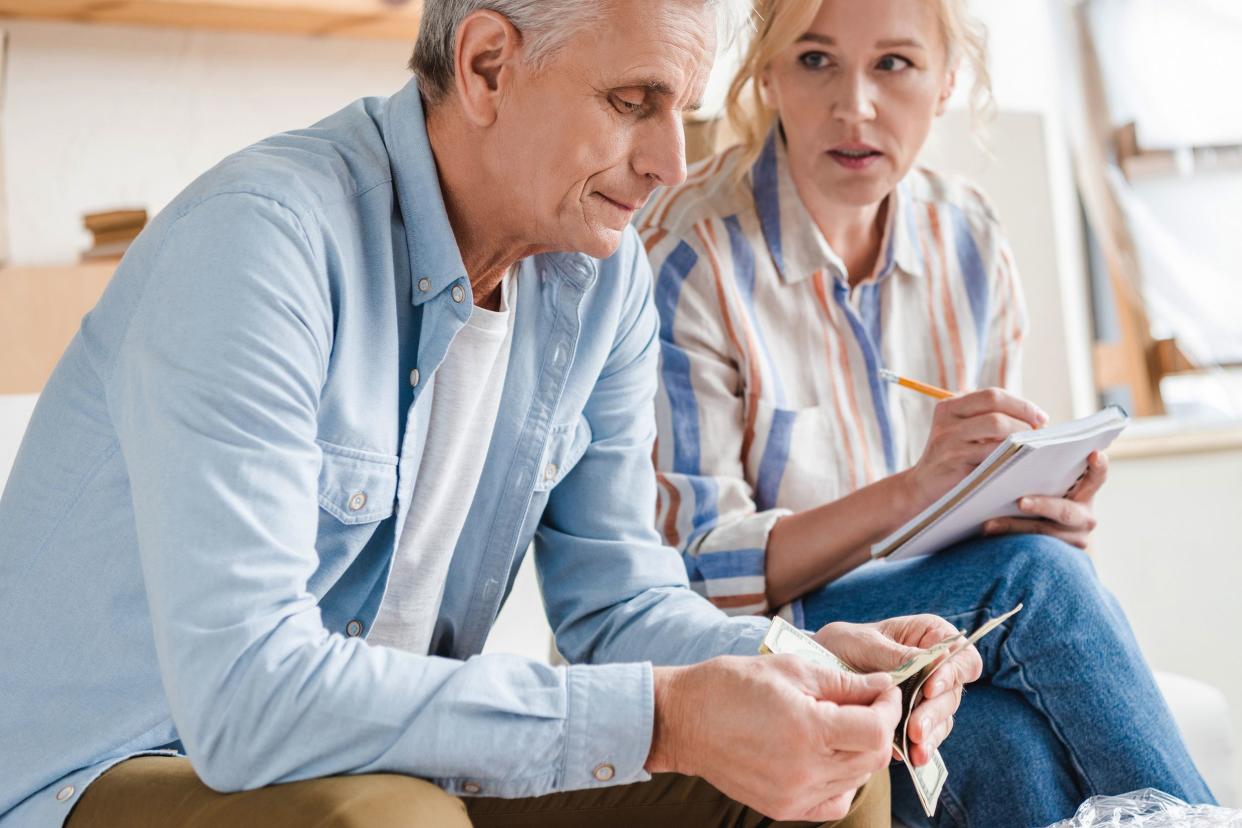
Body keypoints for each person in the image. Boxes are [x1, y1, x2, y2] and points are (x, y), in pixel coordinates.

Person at [0, 2, 988, 827]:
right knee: (391, 819)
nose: (669, 165)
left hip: (389, 759)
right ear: (485, 68)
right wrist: (667, 717)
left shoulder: (598, 281)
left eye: (682, 110)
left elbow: (619, 607)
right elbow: (248, 699)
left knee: (825, 771)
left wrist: (795, 663)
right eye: (633, 102)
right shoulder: (260, 245)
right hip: (113, 772)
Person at [639, 0, 1216, 825]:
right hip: (752, 643)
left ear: (946, 83)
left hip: (930, 623)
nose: (856, 106)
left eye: (895, 65)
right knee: (1040, 582)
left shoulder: (969, 241)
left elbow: (975, 531)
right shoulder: (690, 256)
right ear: (765, 71)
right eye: (815, 61)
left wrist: (1032, 510)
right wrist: (920, 493)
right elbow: (695, 574)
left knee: (1003, 735)